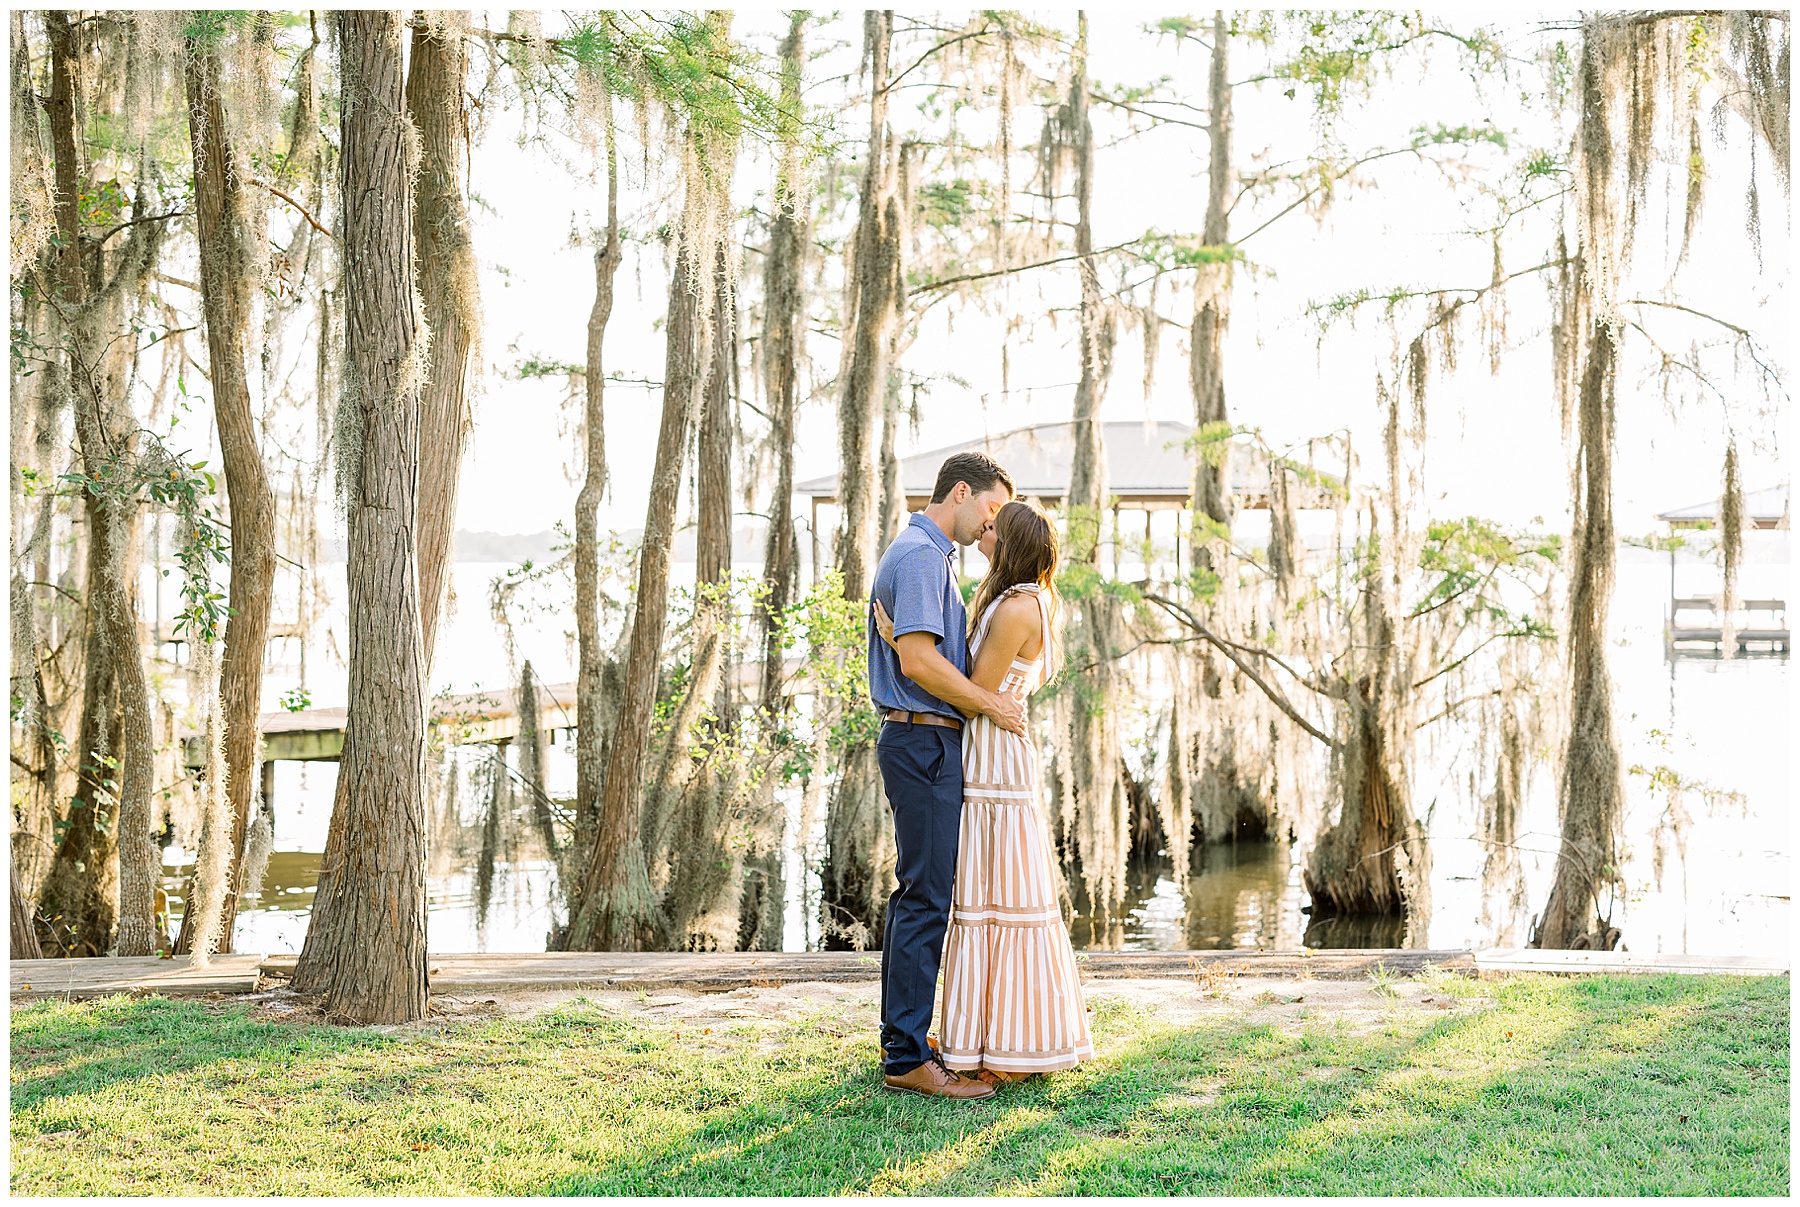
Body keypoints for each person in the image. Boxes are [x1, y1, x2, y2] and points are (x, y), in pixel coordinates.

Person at [874, 498, 1094, 1086]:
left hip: (991, 756)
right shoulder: (1009, 597)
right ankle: (956, 1034)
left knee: (995, 899)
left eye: (996, 527)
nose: (984, 530)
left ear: (1013, 540)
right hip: (981, 747)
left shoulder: (1019, 607)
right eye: (986, 518)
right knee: (972, 896)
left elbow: (975, 690)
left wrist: (905, 648)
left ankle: (1006, 1039)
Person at [868, 450, 1023, 1101]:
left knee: (921, 895)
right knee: (926, 897)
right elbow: (921, 664)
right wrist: (994, 705)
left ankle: (904, 1034)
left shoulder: (926, 556)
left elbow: (925, 652)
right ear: (960, 491)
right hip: (923, 743)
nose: (992, 524)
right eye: (990, 508)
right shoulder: (923, 556)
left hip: (924, 742)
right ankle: (905, 1053)